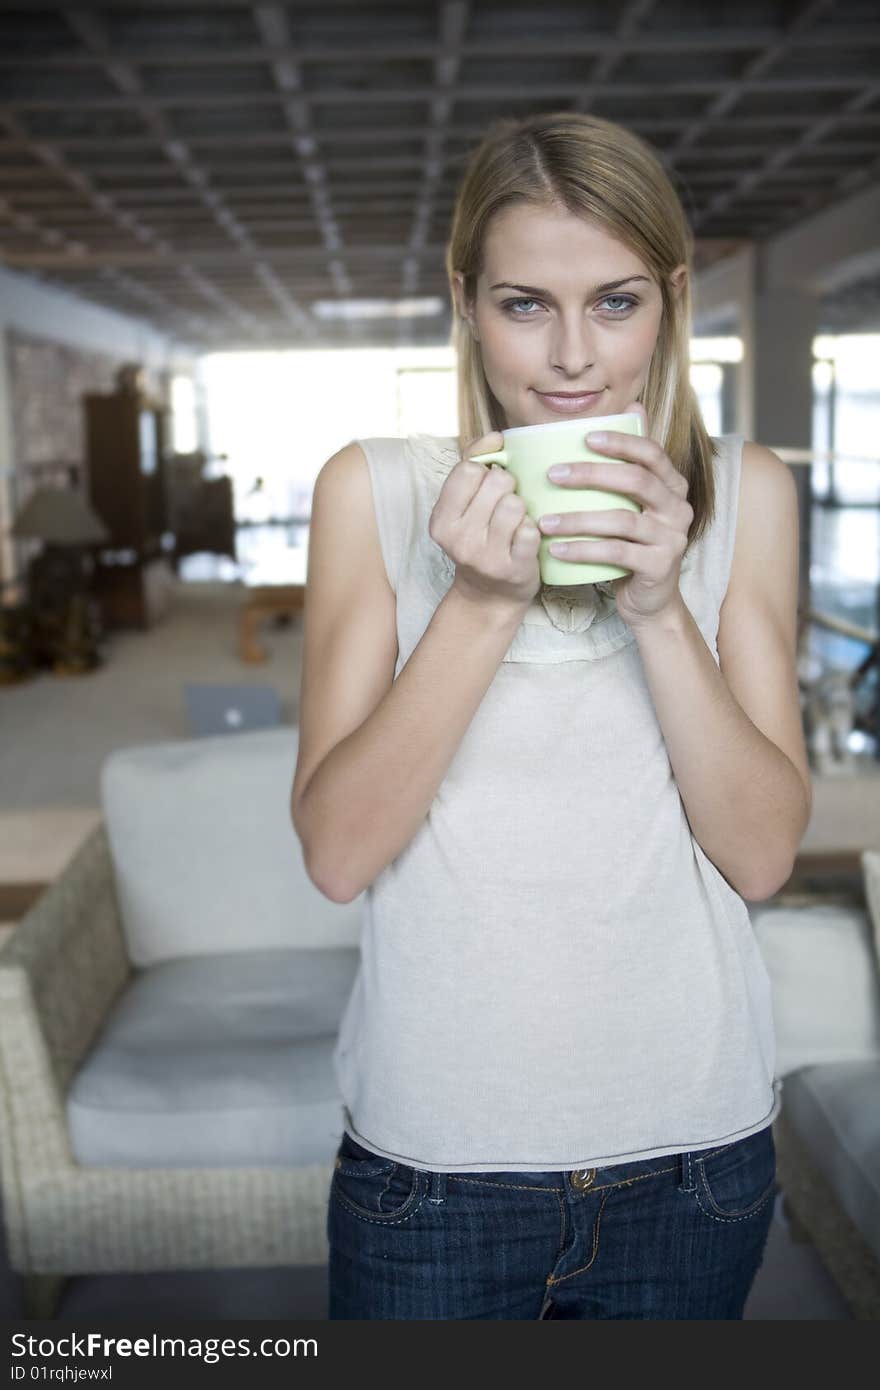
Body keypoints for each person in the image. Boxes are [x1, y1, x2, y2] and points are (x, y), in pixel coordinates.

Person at [291, 111, 812, 1320]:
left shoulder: (749, 494)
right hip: (433, 1161)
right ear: (466, 300)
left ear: (673, 298)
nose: (573, 357)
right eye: (525, 303)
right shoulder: (369, 488)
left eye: (616, 303)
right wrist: (476, 604)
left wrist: (660, 605)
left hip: (694, 1154)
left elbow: (761, 851)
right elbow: (336, 851)